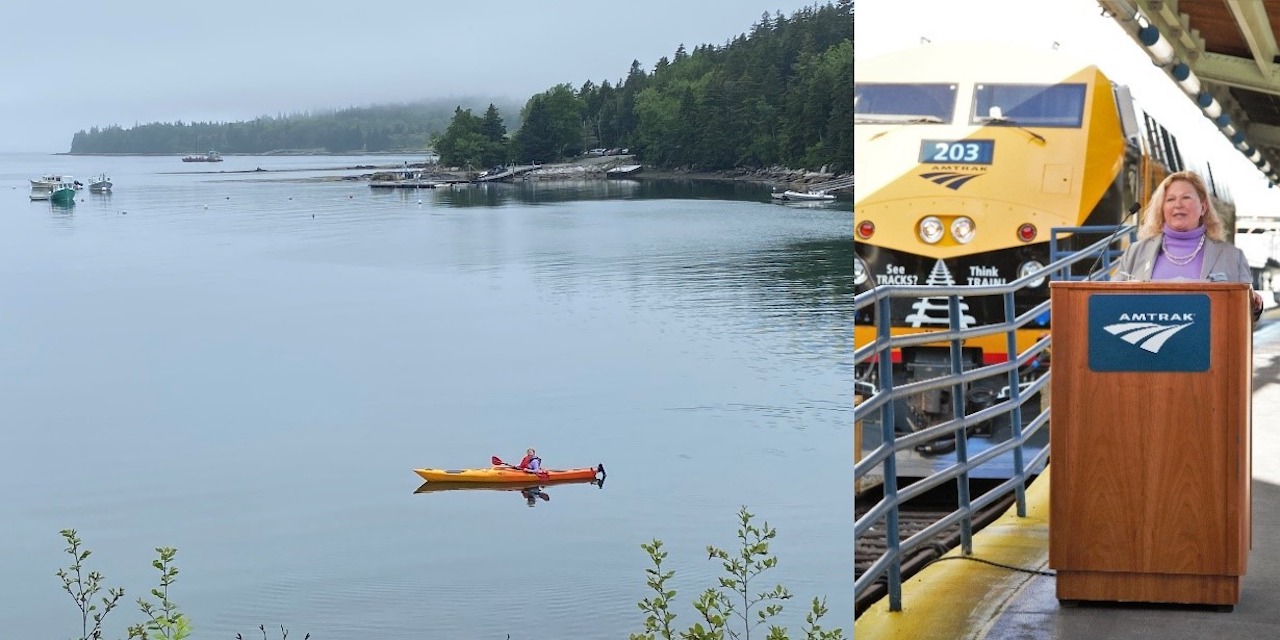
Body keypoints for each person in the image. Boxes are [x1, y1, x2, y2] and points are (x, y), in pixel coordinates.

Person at [1114, 170, 1264, 320]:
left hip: (1209, 343)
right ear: (1162, 208)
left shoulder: (1232, 257)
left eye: (1186, 197)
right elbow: (1109, 302)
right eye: (1170, 199)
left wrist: (1255, 307)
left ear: (1203, 207)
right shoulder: (1135, 253)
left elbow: (1246, 322)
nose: (1178, 204)